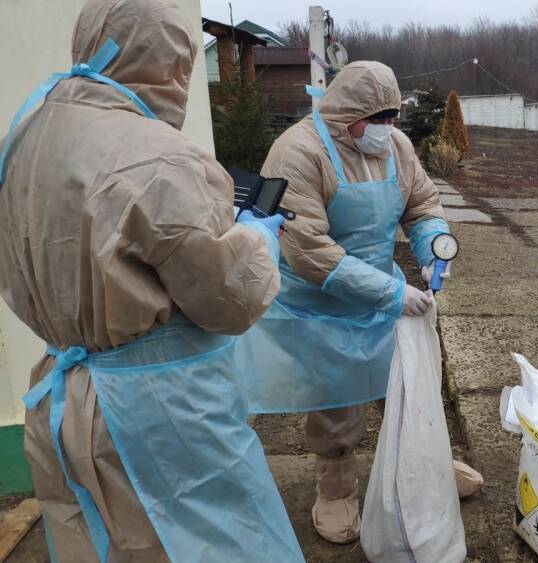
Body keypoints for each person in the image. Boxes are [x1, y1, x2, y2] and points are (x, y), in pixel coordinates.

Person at [0, 0, 304, 560]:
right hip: (154, 414)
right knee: (209, 543)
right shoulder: (158, 155)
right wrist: (256, 239)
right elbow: (226, 299)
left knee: (88, 541)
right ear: (169, 61)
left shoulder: (23, 135)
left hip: (56, 398)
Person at [236, 61, 483, 544]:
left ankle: (425, 464)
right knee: (336, 401)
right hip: (319, 300)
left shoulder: (396, 146)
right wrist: (392, 292)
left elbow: (423, 205)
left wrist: (435, 248)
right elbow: (307, 248)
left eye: (393, 118)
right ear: (347, 113)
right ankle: (335, 488)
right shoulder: (298, 151)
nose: (386, 130)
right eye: (377, 119)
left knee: (409, 382)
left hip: (379, 289)